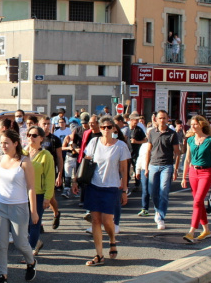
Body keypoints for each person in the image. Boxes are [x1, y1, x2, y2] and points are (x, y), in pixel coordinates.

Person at [72, 115, 130, 266]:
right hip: (94, 185)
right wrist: (75, 180)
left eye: (109, 127)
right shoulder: (94, 142)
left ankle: (112, 239)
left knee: (107, 220)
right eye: (103, 127)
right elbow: (85, 162)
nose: (105, 130)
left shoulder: (120, 146)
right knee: (96, 220)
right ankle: (99, 255)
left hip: (111, 187)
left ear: (114, 129)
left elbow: (124, 169)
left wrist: (124, 190)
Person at [0, 129, 38, 283]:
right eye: (1, 143)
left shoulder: (25, 162)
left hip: (19, 207)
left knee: (21, 242)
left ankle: (31, 262)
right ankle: (3, 276)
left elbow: (31, 188)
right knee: (0, 244)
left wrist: (33, 211)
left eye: (6, 143)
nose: (3, 146)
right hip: (0, 206)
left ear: (15, 143)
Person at [180, 116, 211, 242]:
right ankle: (206, 230)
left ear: (201, 125)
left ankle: (191, 232)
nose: (193, 126)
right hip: (193, 172)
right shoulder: (190, 140)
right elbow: (187, 159)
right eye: (191, 124)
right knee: (199, 202)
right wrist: (184, 177)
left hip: (206, 172)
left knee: (197, 201)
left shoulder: (210, 141)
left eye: (195, 124)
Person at [144, 110, 180, 230]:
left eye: (164, 118)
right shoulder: (152, 133)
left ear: (167, 119)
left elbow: (177, 153)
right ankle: (157, 210)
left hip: (167, 166)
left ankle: (161, 216)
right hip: (153, 165)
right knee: (153, 192)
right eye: (160, 118)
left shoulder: (172, 134)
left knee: (164, 191)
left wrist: (175, 169)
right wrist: (146, 167)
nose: (162, 120)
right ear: (156, 119)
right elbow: (148, 150)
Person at [24, 126, 55, 256]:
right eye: (29, 135)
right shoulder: (22, 153)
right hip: (22, 194)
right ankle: (36, 242)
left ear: (41, 138)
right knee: (24, 224)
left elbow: (49, 177)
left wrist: (48, 197)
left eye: (34, 135)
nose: (31, 137)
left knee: (34, 222)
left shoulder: (46, 155)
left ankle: (30, 252)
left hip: (38, 194)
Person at [38, 115, 64, 228]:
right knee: (37, 197)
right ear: (39, 125)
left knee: (50, 197)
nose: (46, 126)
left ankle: (56, 213)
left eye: (48, 124)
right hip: (37, 171)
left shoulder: (55, 140)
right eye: (44, 124)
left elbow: (59, 157)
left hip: (50, 172)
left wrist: (60, 175)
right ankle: (38, 222)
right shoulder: (35, 137)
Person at [127, 113, 147, 191]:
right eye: (135, 120)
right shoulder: (126, 129)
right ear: (131, 120)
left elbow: (145, 140)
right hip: (127, 153)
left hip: (135, 153)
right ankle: (126, 185)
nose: (137, 121)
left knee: (136, 168)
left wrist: (136, 142)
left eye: (137, 120)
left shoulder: (139, 129)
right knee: (126, 169)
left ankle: (137, 185)